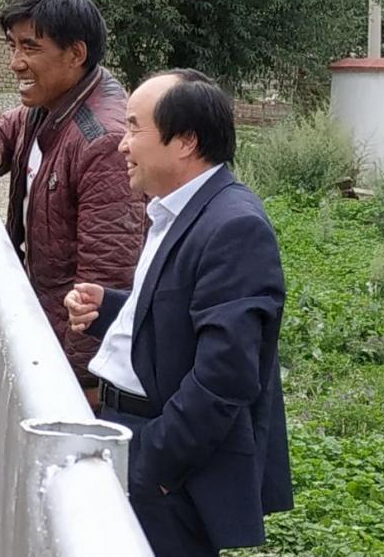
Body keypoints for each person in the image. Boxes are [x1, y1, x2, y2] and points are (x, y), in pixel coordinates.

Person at [64, 70, 292, 556]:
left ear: (186, 141)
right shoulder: (178, 208)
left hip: (165, 461)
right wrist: (113, 309)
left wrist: (153, 466)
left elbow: (226, 376)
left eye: (134, 128)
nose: (122, 144)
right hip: (134, 433)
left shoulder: (234, 226)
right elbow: (183, 314)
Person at [0, 0, 145, 406]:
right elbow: (12, 122)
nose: (15, 62)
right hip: (47, 329)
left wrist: (80, 386)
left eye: (30, 47)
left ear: (75, 54)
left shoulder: (102, 141)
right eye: (12, 45)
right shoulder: (54, 103)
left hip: (73, 367)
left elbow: (105, 278)